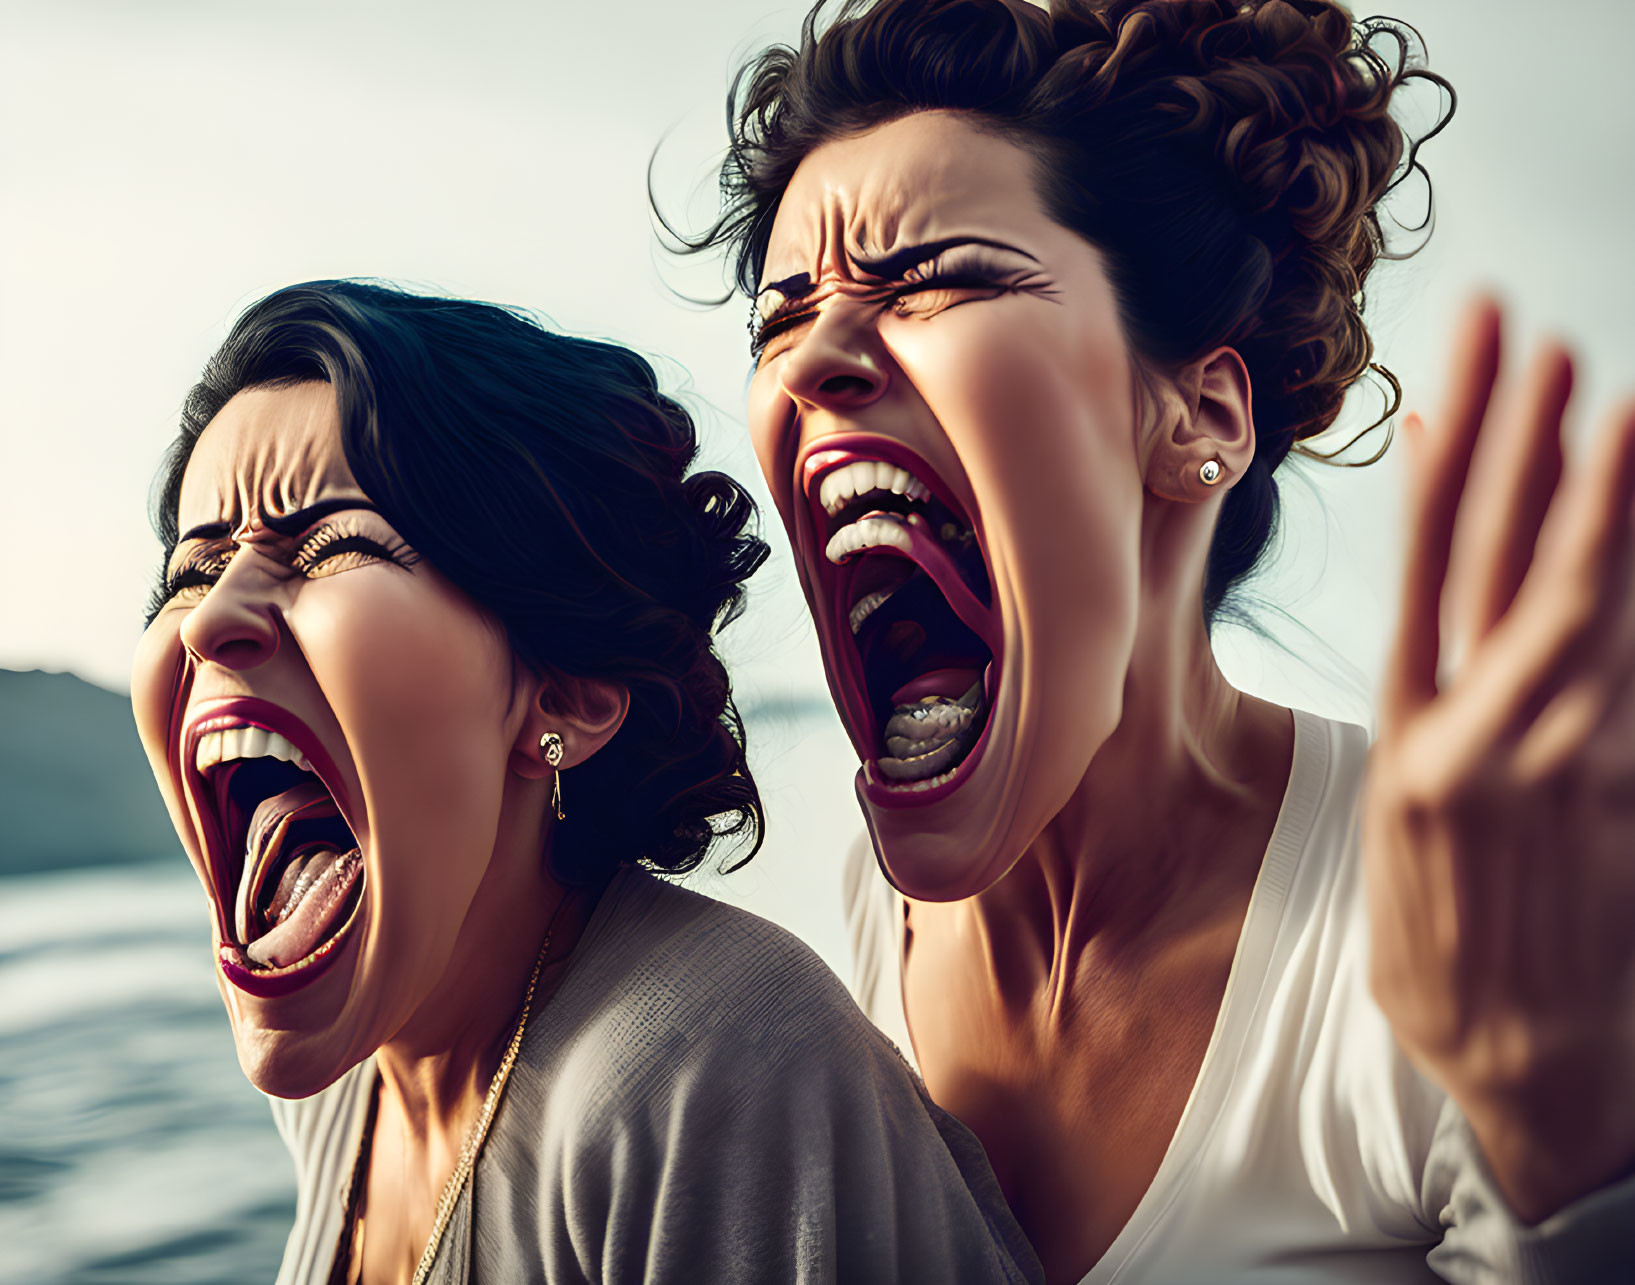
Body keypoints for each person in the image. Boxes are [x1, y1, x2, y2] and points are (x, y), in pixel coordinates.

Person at [675, 0, 1635, 1279]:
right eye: (780, 318)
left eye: (936, 279)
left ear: (1202, 416)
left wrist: (1563, 1150)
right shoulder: (793, 939)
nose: (811, 361)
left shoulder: (1466, 932)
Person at [129, 279, 1044, 1284]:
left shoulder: (712, 1066)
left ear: (561, 698)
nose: (212, 620)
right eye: (190, 572)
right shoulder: (346, 1084)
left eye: (331, 546)